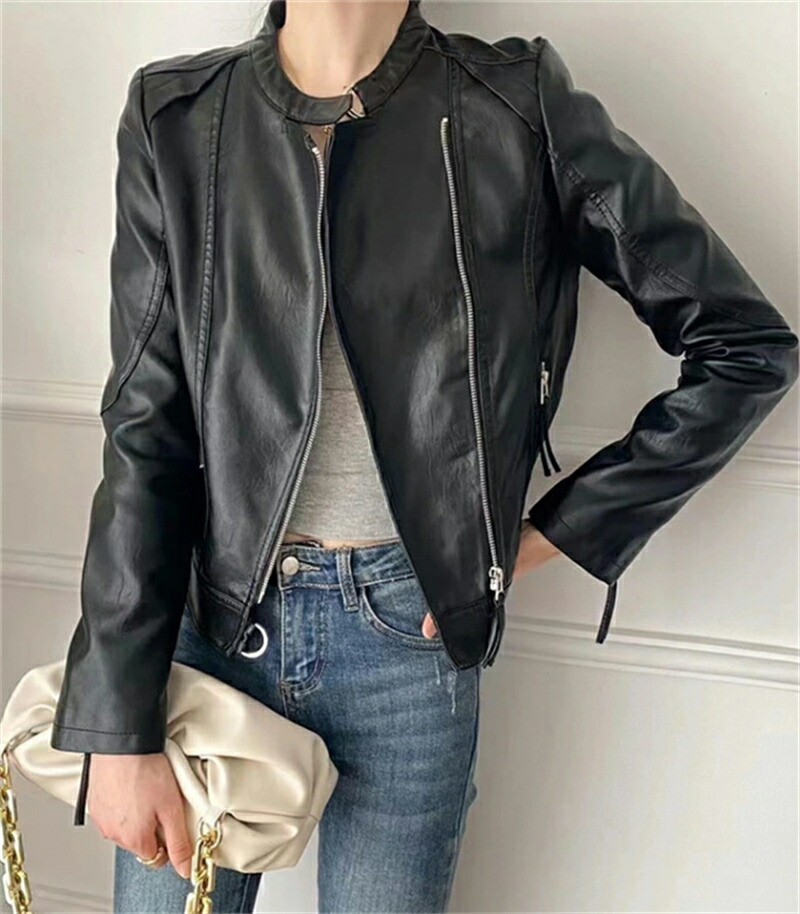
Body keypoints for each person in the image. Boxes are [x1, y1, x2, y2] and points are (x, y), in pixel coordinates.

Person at [49, 1, 798, 912]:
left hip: (409, 643)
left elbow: (745, 347)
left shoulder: (514, 104)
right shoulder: (178, 115)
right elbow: (144, 432)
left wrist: (546, 536)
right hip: (209, 627)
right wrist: (116, 723)